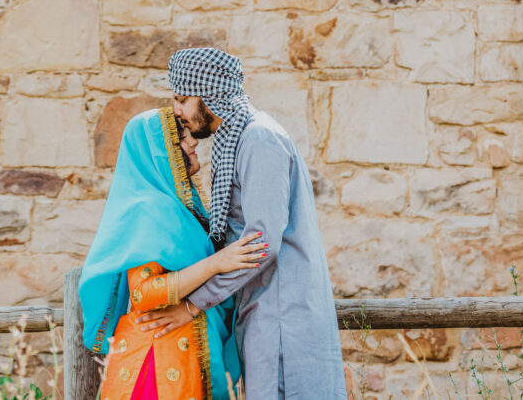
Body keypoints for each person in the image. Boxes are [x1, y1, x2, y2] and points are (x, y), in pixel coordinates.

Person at [138, 48, 346, 399]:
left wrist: (191, 305)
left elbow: (260, 244)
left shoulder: (258, 139)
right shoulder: (236, 138)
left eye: (182, 99)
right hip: (262, 314)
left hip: (282, 317)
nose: (177, 111)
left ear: (209, 95)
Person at [80, 106, 264, 399]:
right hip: (157, 361)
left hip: (188, 349)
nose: (193, 142)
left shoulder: (184, 209)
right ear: (157, 152)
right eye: (181, 136)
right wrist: (217, 263)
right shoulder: (149, 209)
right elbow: (143, 294)